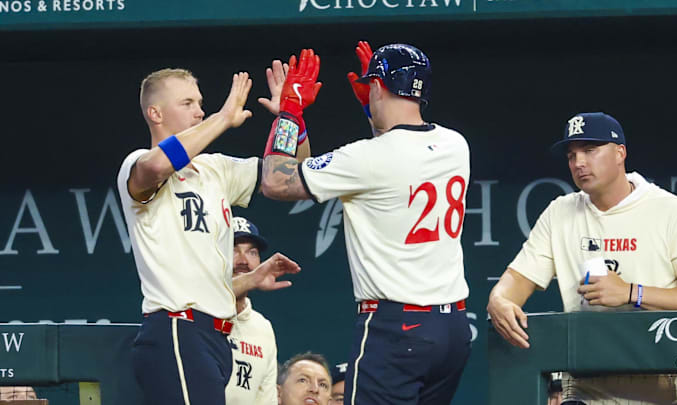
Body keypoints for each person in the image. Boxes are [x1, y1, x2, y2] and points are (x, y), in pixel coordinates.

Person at [260, 43, 472, 405]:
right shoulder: (455, 144)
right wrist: (370, 108)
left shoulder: (366, 157)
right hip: (452, 328)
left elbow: (276, 182)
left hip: (396, 327)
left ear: (377, 87)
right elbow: (397, 157)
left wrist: (289, 113)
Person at [487, 112, 677, 404]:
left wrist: (631, 292)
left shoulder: (673, 211)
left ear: (620, 153)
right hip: (586, 385)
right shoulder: (560, 212)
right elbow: (518, 279)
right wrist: (500, 298)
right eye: (572, 155)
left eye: (590, 151)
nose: (578, 163)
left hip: (661, 383)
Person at [117, 66, 304, 405]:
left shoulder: (214, 169)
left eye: (200, 103)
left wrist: (291, 118)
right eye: (187, 102)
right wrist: (222, 118)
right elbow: (155, 168)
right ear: (155, 113)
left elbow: (289, 178)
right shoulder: (138, 163)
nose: (199, 111)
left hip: (217, 337)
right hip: (176, 330)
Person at [225, 216, 279, 405]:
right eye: (233, 250)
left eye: (252, 252)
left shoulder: (263, 328)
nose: (243, 261)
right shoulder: (194, 311)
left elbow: (266, 400)